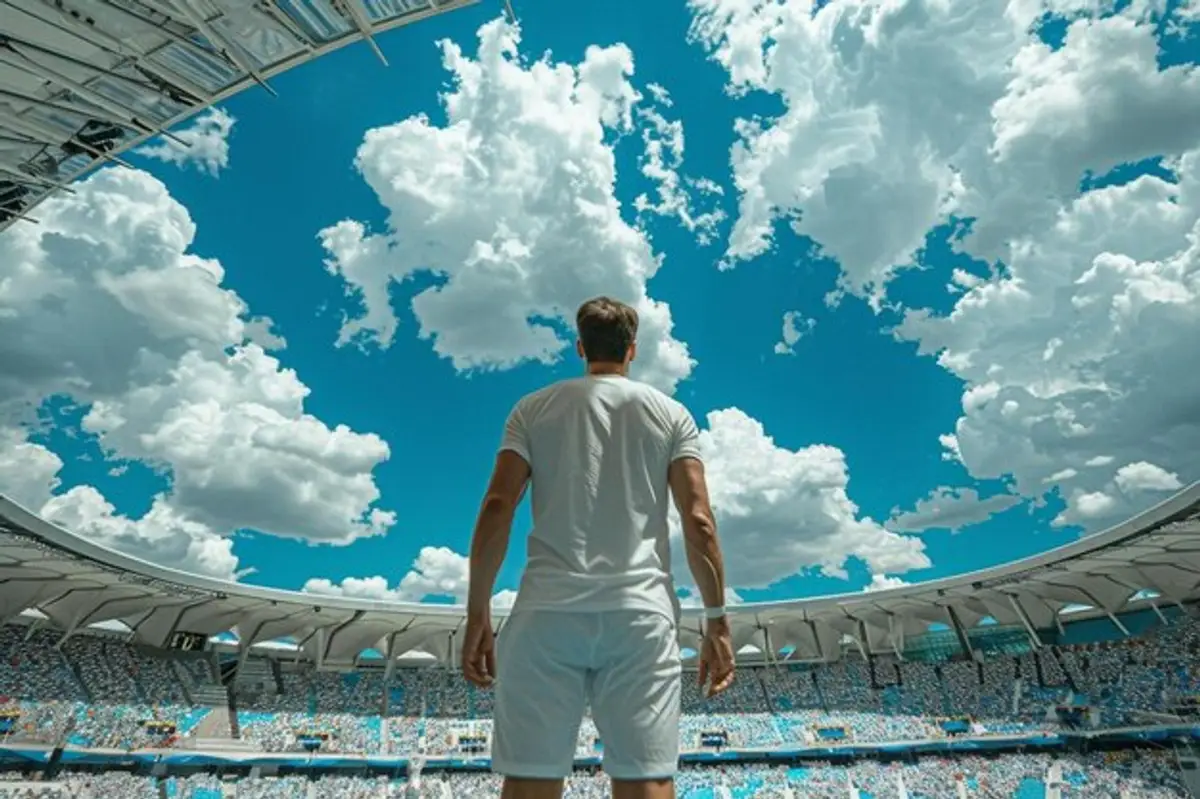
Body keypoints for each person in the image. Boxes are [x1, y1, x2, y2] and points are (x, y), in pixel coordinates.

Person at [461, 296, 735, 799]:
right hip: (640, 615)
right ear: (633, 349)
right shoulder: (672, 414)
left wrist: (477, 612)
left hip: (546, 612)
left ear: (580, 346)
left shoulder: (532, 408)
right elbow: (699, 521)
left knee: (529, 779)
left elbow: (498, 506)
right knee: (647, 779)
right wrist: (716, 620)